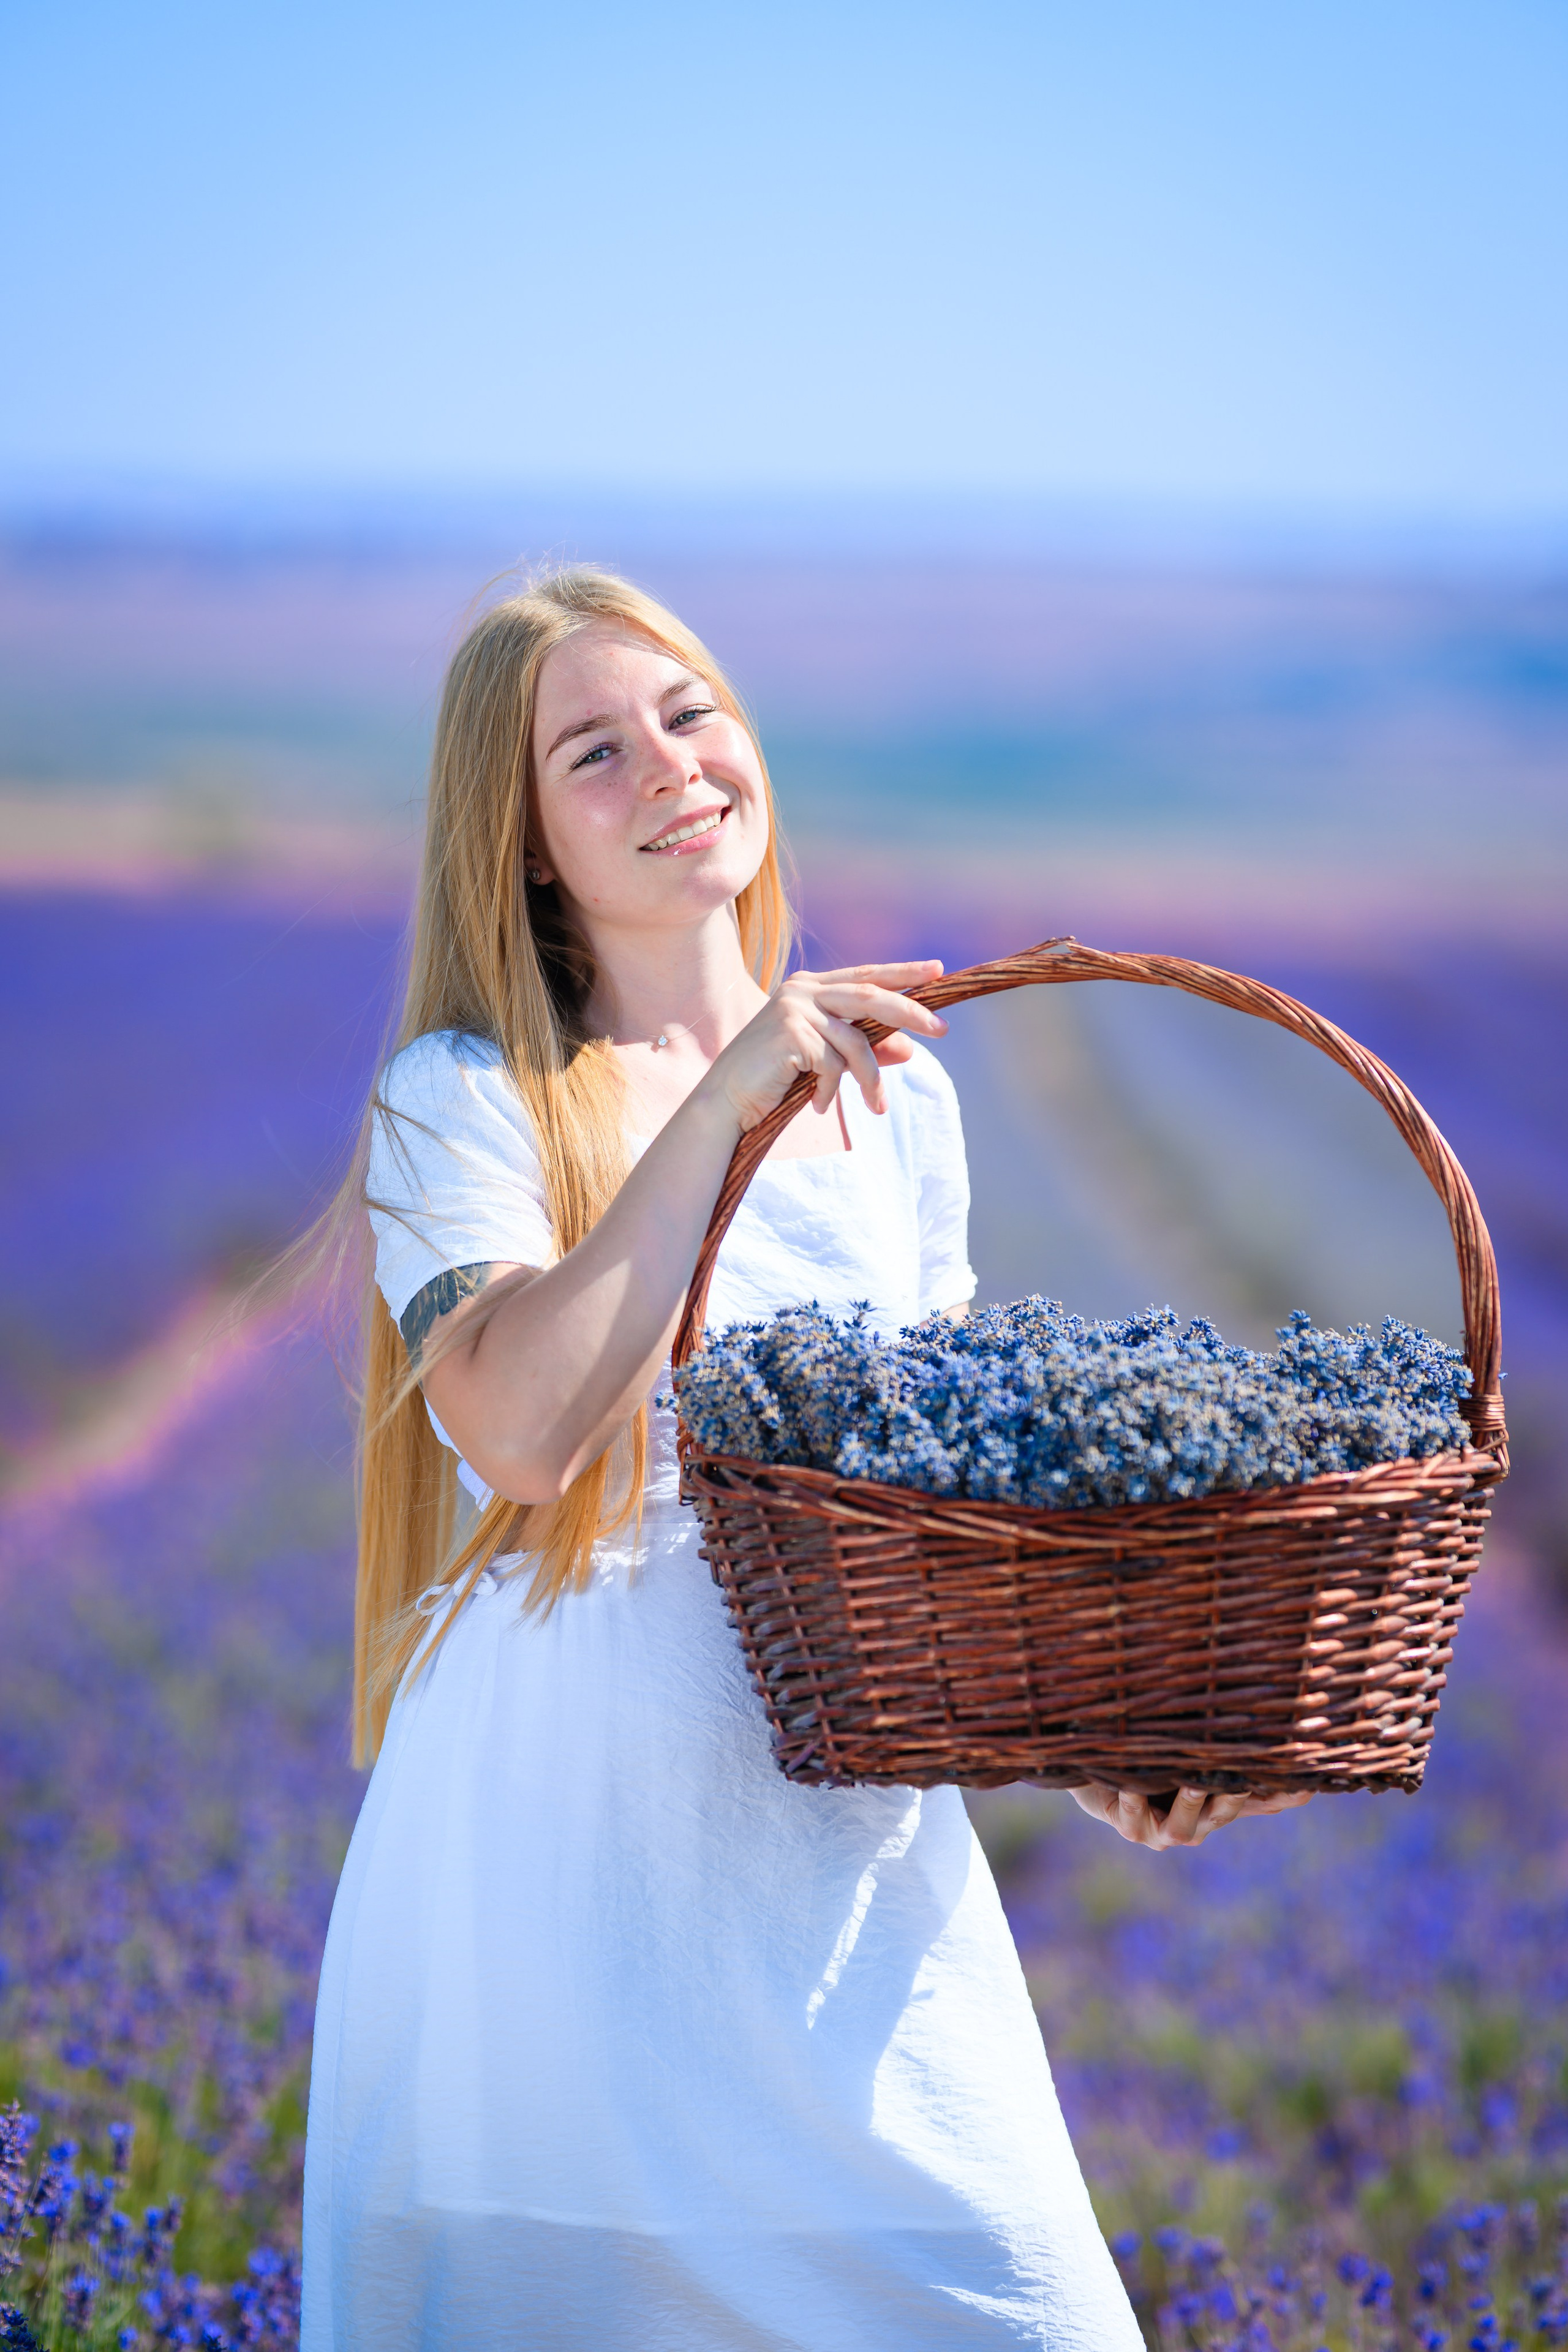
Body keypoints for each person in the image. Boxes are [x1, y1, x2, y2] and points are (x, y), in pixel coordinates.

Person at [301, 566, 1303, 2350]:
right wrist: (727, 1091)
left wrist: (1089, 1743)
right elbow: (524, 1432)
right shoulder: (464, 1094)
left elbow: (930, 1525)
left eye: (690, 713)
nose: (670, 767)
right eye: (593, 753)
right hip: (562, 1895)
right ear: (527, 843)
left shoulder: (901, 1101)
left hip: (842, 1875)